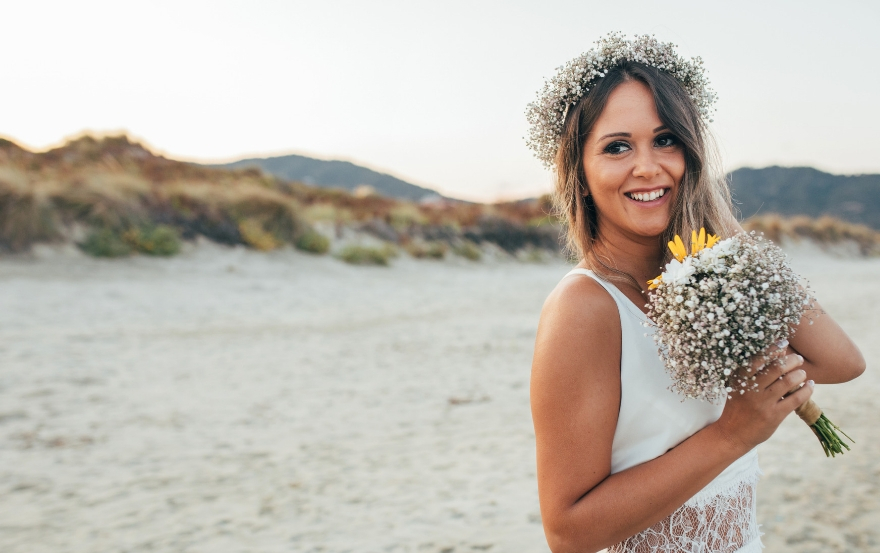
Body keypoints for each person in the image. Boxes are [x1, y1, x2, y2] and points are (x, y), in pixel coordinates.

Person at [526, 34, 865, 553]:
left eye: (666, 140)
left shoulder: (711, 276)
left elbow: (843, 361)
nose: (648, 166)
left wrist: (728, 247)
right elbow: (568, 532)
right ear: (581, 171)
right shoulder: (585, 307)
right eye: (617, 147)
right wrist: (734, 434)